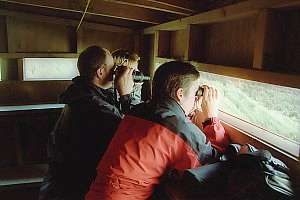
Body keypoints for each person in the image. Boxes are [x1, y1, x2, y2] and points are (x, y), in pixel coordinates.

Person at [85, 61, 230, 200]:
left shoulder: (138, 111)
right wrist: (211, 118)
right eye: (194, 93)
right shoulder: (178, 128)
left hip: (96, 193)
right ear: (180, 94)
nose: (195, 98)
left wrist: (188, 113)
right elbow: (213, 161)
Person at [39, 46, 138, 200]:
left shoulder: (79, 94)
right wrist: (125, 95)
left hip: (63, 183)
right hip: (76, 189)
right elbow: (133, 136)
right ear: (100, 72)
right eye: (113, 69)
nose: (115, 73)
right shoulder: (94, 106)